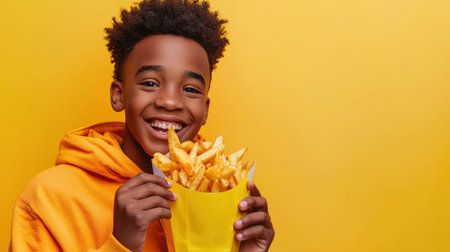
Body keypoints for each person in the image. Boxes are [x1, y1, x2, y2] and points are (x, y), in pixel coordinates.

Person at [9, 0, 275, 251]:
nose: (170, 102)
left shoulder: (223, 191)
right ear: (118, 95)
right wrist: (120, 244)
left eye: (190, 89)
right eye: (150, 83)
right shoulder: (48, 198)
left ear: (205, 110)